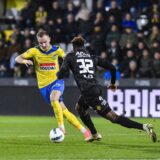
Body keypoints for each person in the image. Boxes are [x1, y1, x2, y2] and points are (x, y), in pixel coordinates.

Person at [57, 35, 157, 143]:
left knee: (113, 117)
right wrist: (113, 84)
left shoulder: (70, 56)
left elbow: (62, 74)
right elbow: (112, 68)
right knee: (79, 108)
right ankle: (95, 134)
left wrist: (60, 70)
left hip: (89, 93)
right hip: (93, 89)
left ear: (73, 47)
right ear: (83, 46)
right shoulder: (92, 57)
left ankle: (144, 127)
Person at [15, 30, 92, 141]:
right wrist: (25, 61)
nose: (43, 45)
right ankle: (85, 131)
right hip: (43, 86)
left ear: (49, 39)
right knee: (64, 111)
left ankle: (61, 127)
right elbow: (18, 58)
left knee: (54, 98)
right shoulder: (34, 51)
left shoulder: (56, 50)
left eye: (45, 42)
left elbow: (67, 58)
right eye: (41, 43)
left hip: (57, 81)